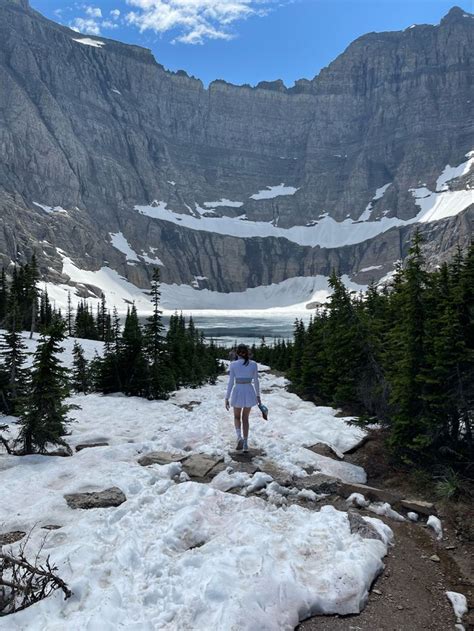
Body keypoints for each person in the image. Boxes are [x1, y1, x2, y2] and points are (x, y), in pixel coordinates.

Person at [225, 344, 261, 452]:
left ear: (237, 353)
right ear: (247, 352)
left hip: (238, 390)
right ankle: (245, 443)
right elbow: (256, 381)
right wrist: (258, 395)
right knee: (245, 418)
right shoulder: (253, 364)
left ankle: (239, 437)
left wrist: (227, 397)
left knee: (237, 417)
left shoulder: (233, 364)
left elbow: (231, 382)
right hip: (249, 390)